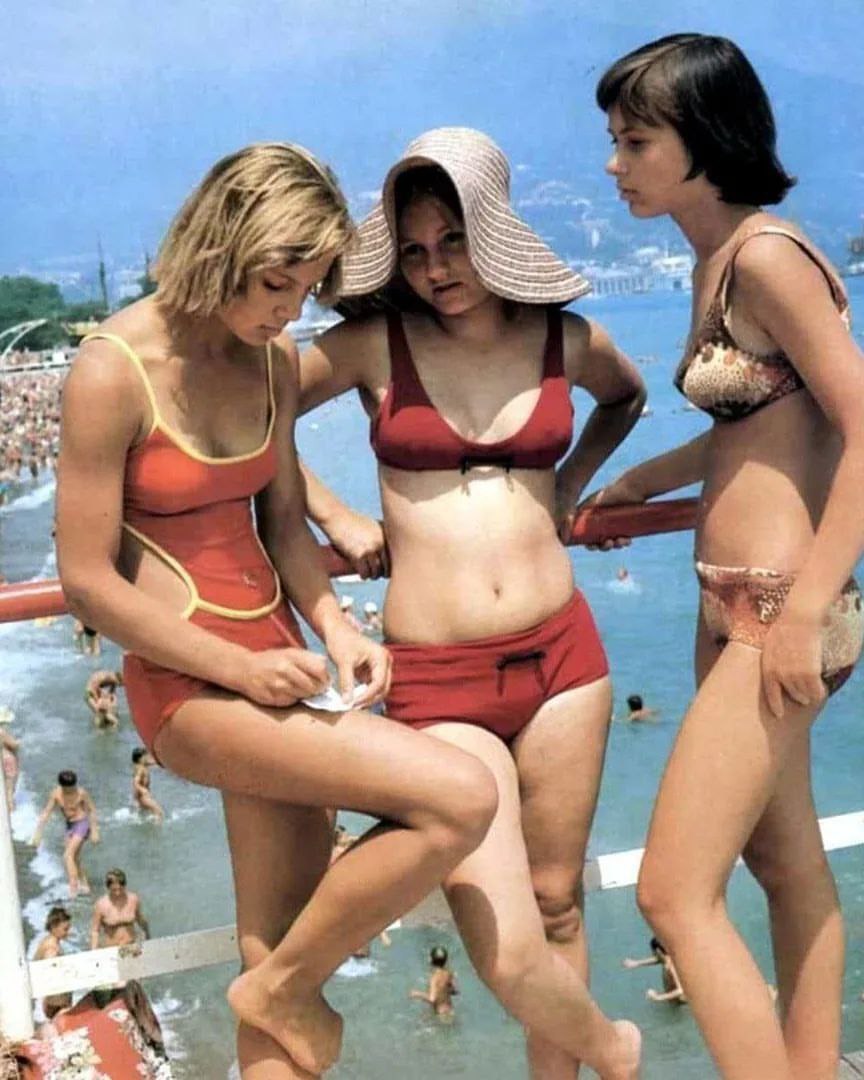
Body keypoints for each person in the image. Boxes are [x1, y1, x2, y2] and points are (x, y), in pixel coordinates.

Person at [54, 141, 496, 1079]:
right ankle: (281, 993)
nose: (290, 312)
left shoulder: (271, 360)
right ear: (221, 244)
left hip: (279, 661)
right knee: (461, 796)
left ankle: (277, 990)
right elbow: (87, 581)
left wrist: (335, 625)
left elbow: (285, 523)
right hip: (190, 685)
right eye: (275, 285)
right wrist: (242, 670)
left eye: (305, 291)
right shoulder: (111, 369)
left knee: (277, 935)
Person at [299, 127, 644, 1079]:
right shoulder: (372, 343)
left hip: (563, 658)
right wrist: (333, 514)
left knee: (558, 900)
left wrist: (571, 483)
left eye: (452, 240)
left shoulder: (567, 340)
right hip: (437, 676)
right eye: (414, 251)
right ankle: (615, 1054)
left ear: (493, 232)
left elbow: (625, 399)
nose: (436, 268)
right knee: (503, 936)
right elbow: (250, 422)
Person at [593, 34, 864, 1079]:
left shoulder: (765, 258)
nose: (614, 164)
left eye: (635, 142)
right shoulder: (718, 259)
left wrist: (805, 613)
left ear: (704, 140)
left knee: (672, 892)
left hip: (781, 608)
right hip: (739, 604)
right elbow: (764, 425)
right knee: (785, 864)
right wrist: (640, 480)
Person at [31, 770, 100, 897]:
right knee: (74, 858)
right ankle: (85, 885)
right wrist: (38, 833)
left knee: (67, 855)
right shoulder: (56, 794)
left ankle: (73, 888)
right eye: (67, 789)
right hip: (70, 826)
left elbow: (91, 810)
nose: (70, 791)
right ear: (61, 786)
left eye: (72, 788)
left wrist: (95, 831)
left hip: (82, 824)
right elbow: (46, 812)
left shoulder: (81, 793)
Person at [33, 906, 74, 1025]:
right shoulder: (52, 948)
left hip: (54, 1000)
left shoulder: (47, 941)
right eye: (65, 929)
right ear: (53, 927)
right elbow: (50, 977)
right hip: (55, 1002)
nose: (68, 932)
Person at [90, 868, 151, 949]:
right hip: (112, 948)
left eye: (120, 889)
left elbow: (141, 921)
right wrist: (94, 951)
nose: (117, 893)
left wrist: (148, 937)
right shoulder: (101, 904)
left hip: (131, 946)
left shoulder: (133, 899)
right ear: (108, 888)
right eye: (114, 890)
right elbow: (95, 931)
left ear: (124, 886)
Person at [623, 938, 685, 1004]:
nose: (652, 953)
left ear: (658, 951)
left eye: (653, 952)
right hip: (673, 1001)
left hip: (680, 1004)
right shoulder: (666, 960)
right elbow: (658, 960)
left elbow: (680, 990)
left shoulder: (671, 967)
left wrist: (658, 997)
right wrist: (637, 963)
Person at [408, 945, 459, 1019]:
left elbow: (432, 999)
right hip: (450, 1011)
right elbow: (455, 991)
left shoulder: (434, 978)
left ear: (431, 960)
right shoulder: (449, 973)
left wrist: (417, 994)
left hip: (440, 1014)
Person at [131, 746, 165, 821]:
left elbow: (155, 762)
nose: (147, 757)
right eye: (145, 756)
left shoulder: (142, 765)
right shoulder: (140, 769)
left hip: (140, 797)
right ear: (140, 759)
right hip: (143, 797)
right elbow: (135, 782)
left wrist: (163, 760)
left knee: (144, 817)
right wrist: (142, 790)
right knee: (159, 812)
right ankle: (157, 827)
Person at [0, 725, 20, 813]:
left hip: (2, 761)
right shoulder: (1, 732)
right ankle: (11, 813)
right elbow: (14, 745)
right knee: (10, 790)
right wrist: (18, 742)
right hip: (7, 759)